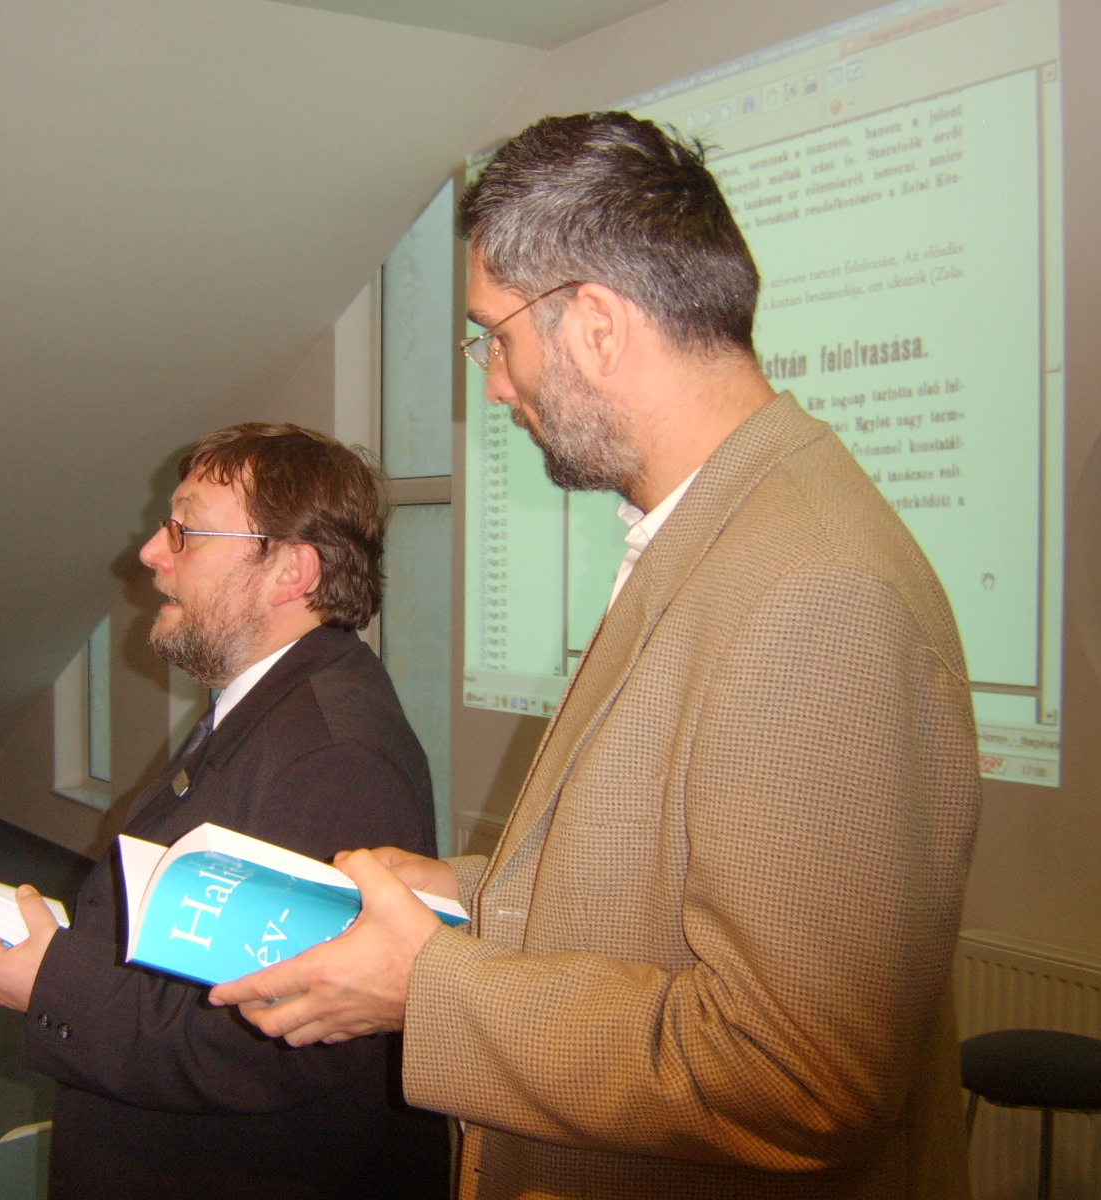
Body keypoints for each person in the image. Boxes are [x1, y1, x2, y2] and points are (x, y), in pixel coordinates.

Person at [211, 114, 981, 1199]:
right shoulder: (716, 528)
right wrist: (464, 893)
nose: (494, 385)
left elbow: (800, 1073)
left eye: (495, 338)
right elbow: (661, 882)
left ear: (599, 327)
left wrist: (429, 988)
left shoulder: (812, 591)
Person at [0, 423, 447, 1200]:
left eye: (186, 532)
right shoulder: (273, 703)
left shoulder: (333, 756)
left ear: (290, 572)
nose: (150, 554)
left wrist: (51, 982)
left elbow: (273, 1041)